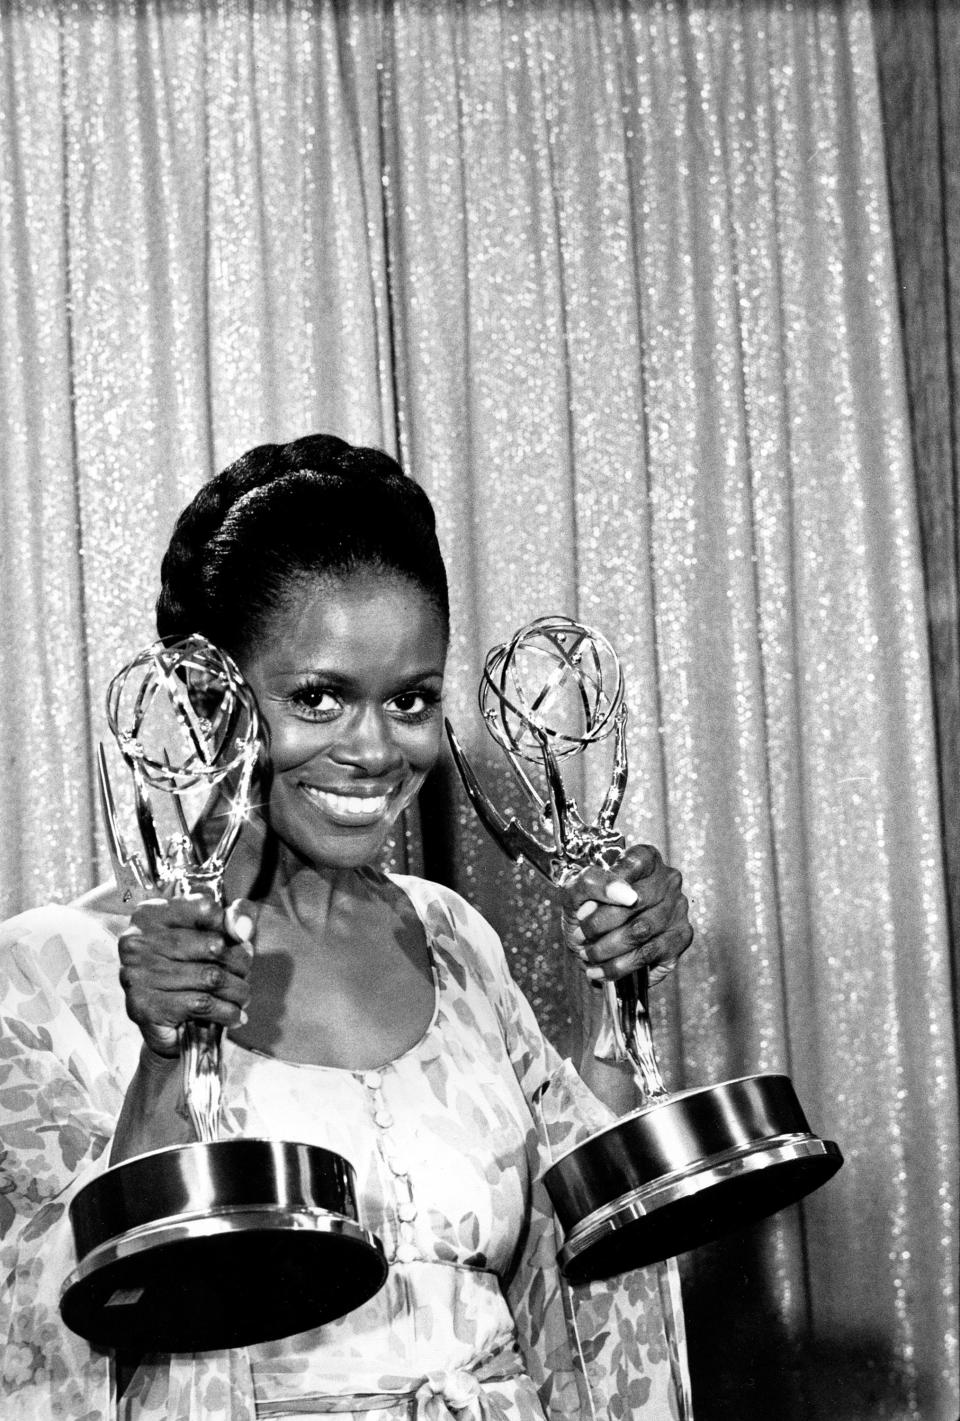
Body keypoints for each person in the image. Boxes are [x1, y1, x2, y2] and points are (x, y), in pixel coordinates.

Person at [0, 434, 693, 1420]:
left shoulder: (453, 937)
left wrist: (622, 987)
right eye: (318, 696)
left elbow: (584, 1259)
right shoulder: (51, 972)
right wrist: (164, 1056)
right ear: (210, 695)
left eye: (410, 699)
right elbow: (65, 1322)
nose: (374, 748)